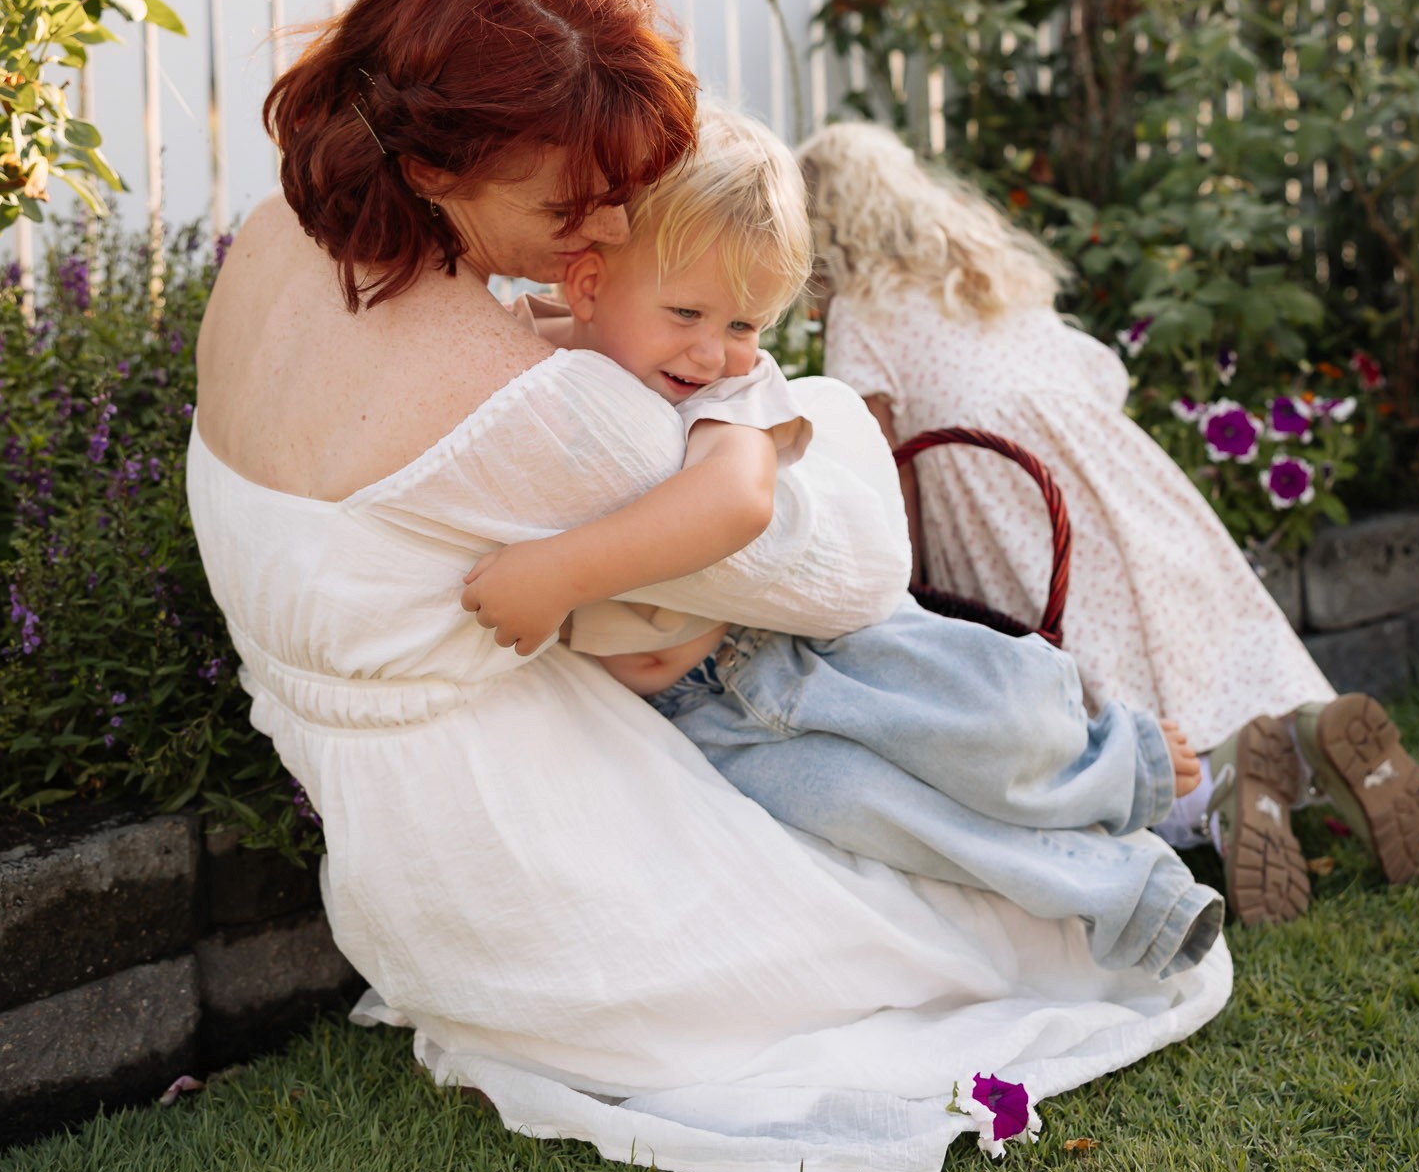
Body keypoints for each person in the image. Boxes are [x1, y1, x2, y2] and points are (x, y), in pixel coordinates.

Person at [189, 0, 1230, 1172]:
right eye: (567, 201)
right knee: (935, 889)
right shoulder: (523, 401)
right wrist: (821, 418)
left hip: (406, 881)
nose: (612, 221)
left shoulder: (276, 241)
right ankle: (1127, 791)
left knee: (886, 758)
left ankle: (1115, 774)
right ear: (429, 162)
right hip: (563, 888)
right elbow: (846, 574)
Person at [464, 105, 1225, 981]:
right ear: (589, 286)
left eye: (746, 326)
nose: (714, 350)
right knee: (871, 811)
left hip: (795, 646)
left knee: (989, 713)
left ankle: (1115, 758)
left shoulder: (727, 399)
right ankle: (1125, 893)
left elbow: (735, 503)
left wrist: (553, 573)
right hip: (705, 719)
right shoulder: (538, 359)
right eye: (687, 312)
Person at [795, 121, 1419, 928]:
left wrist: (902, 576)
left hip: (1008, 491)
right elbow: (1093, 375)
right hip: (1110, 464)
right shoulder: (979, 273)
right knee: (1194, 624)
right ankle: (1304, 727)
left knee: (1092, 664)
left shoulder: (864, 308)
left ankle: (1212, 787)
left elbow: (877, 452)